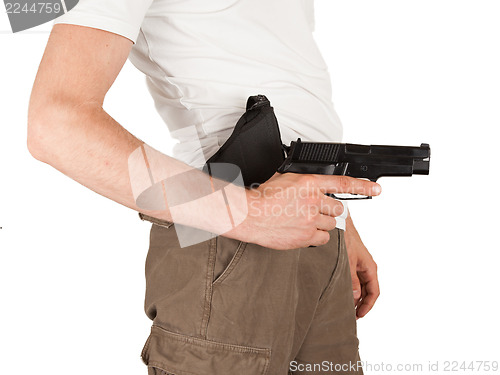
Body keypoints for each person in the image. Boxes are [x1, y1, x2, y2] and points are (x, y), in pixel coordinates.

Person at [27, 0, 381, 374]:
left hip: (309, 232)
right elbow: (54, 124)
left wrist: (337, 218)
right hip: (233, 234)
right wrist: (252, 212)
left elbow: (284, 76)